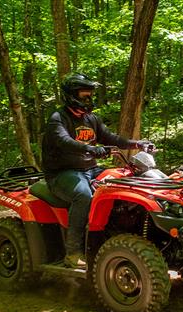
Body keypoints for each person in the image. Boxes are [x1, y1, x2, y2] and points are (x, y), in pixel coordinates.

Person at [41, 73, 153, 269]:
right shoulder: (57, 119)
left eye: (90, 95)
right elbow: (64, 141)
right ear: (71, 95)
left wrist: (137, 143)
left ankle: (116, 236)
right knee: (84, 195)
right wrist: (90, 148)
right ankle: (73, 252)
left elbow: (111, 138)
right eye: (84, 95)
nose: (88, 99)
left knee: (124, 182)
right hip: (62, 174)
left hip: (90, 169)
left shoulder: (91, 118)